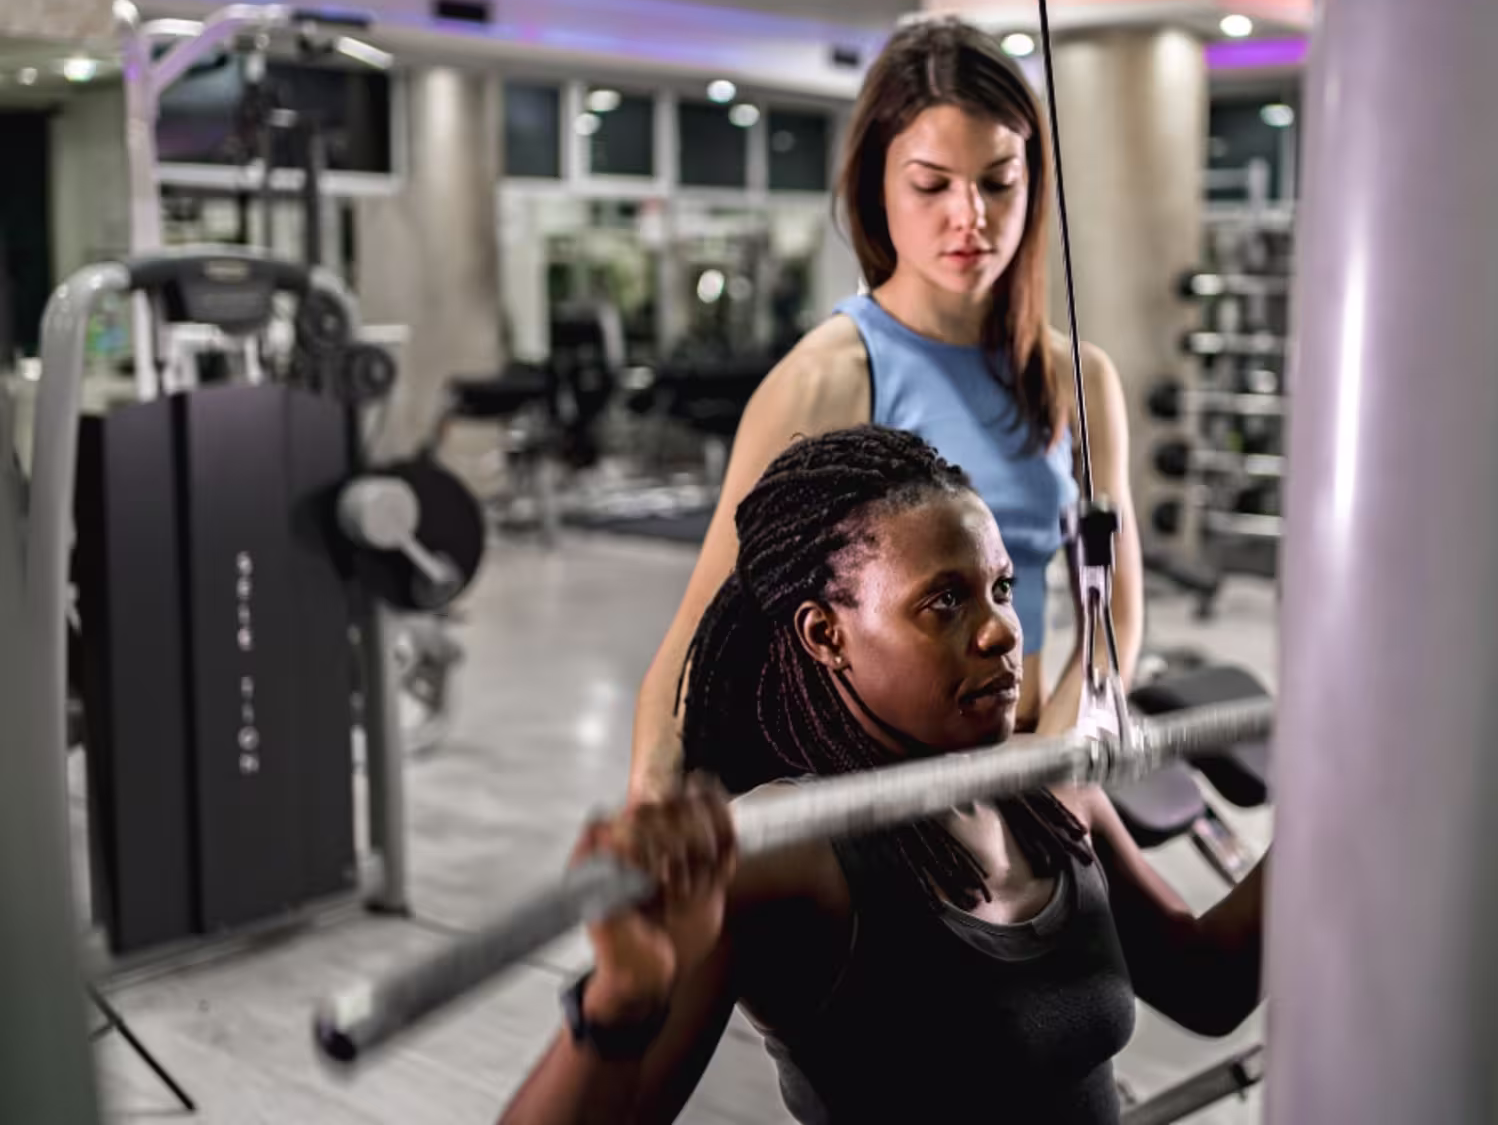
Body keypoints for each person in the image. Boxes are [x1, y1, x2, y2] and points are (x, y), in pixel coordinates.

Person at [503, 428, 1262, 1125]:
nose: (1001, 630)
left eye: (1001, 589)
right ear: (825, 635)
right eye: (944, 602)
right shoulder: (789, 855)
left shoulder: (1053, 794)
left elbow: (1209, 986)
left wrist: (1355, 801)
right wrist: (618, 1003)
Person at [628, 19, 1143, 799]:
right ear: (877, 184)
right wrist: (655, 799)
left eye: (999, 181)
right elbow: (701, 639)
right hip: (882, 801)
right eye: (932, 184)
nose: (969, 216)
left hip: (1030, 770)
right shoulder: (824, 379)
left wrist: (1053, 777)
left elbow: (1114, 617)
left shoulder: (1078, 380)